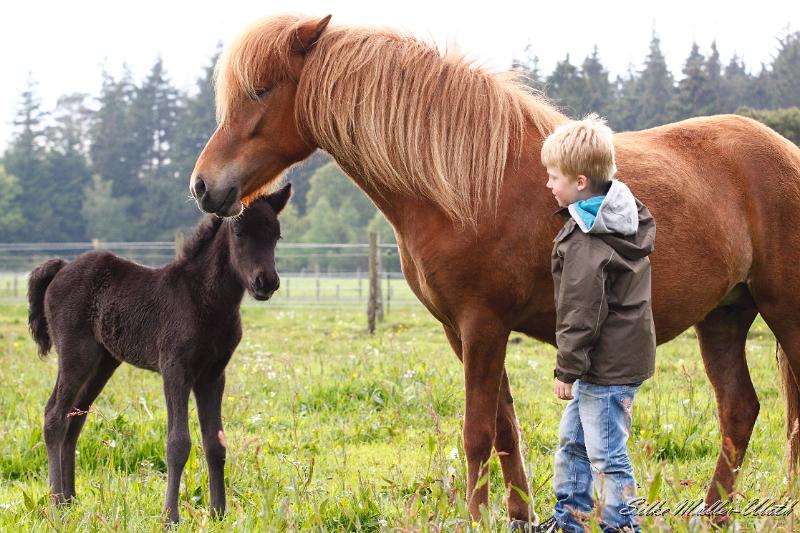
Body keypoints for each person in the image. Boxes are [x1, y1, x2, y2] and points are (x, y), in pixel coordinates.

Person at [524, 114, 657, 533]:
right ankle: (570, 521)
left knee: (606, 455)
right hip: (611, 361)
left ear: (580, 182)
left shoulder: (587, 240)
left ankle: (622, 525)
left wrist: (568, 370)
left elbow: (581, 314)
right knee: (574, 445)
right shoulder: (620, 214)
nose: (548, 184)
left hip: (604, 366)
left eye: (554, 176)